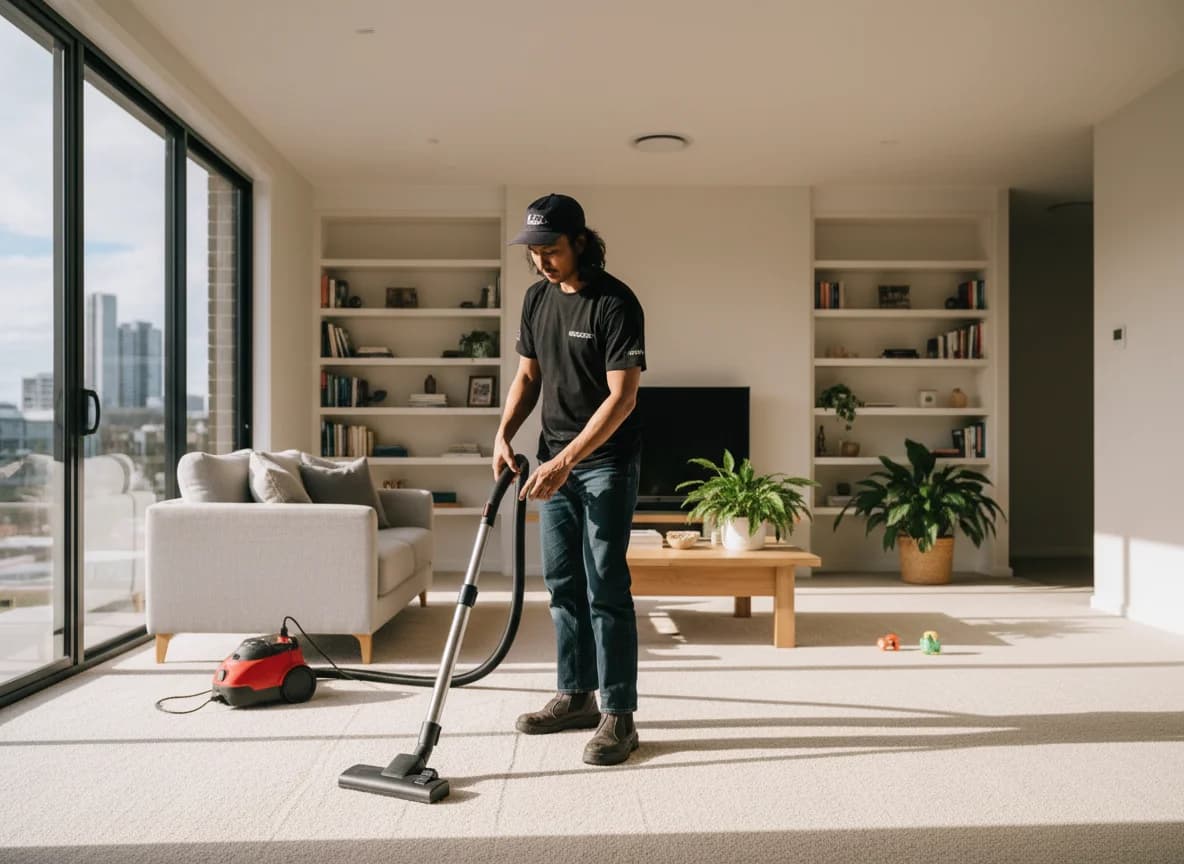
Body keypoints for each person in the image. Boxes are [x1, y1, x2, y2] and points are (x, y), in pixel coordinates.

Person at [494, 193, 646, 766]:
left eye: (551, 250)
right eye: (534, 252)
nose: (541, 262)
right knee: (562, 585)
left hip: (605, 461)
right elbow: (527, 378)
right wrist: (503, 434)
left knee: (605, 585)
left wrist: (565, 464)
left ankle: (619, 715)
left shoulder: (615, 303)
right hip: (554, 458)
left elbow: (623, 398)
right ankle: (577, 694)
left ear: (580, 241)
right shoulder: (537, 300)